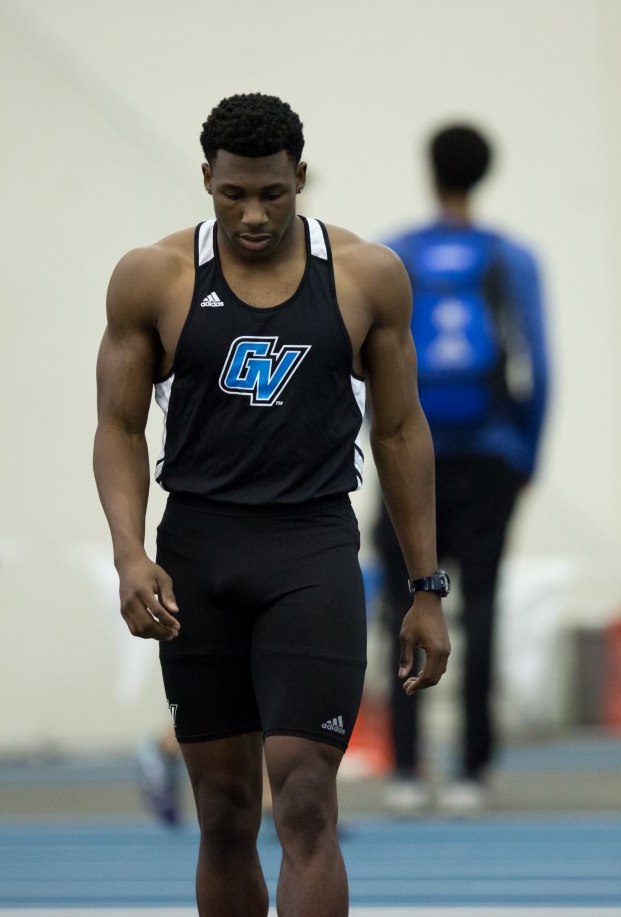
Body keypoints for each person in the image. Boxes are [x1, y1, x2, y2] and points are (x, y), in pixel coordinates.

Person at [93, 93, 451, 917]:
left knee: (304, 801)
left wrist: (426, 589)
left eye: (272, 195)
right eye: (233, 196)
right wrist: (128, 553)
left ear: (300, 177)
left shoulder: (367, 276)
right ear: (208, 182)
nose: (253, 215)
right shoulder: (155, 277)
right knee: (223, 813)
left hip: (311, 550)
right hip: (198, 555)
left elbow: (399, 431)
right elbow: (116, 428)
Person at [375, 123, 549, 816]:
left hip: (408, 457)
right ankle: (474, 770)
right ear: (485, 174)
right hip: (488, 455)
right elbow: (541, 360)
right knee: (480, 607)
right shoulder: (510, 257)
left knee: (403, 607)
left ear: (430, 171)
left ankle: (408, 771)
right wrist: (526, 451)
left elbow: (367, 362)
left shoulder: (398, 254)